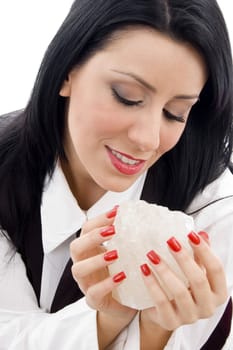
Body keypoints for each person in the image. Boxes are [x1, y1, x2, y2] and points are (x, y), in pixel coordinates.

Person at [0, 0, 233, 349]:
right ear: (67, 70)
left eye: (175, 113)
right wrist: (107, 319)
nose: (148, 139)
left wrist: (156, 332)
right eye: (127, 97)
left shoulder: (214, 210)